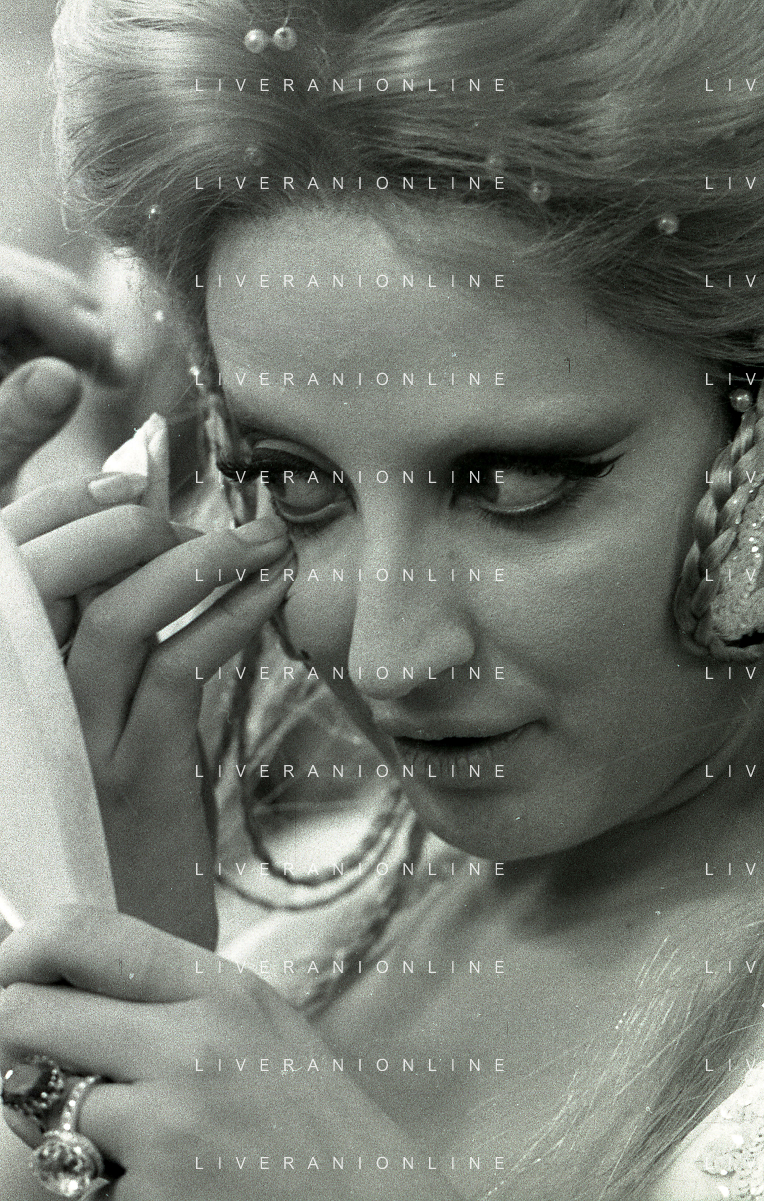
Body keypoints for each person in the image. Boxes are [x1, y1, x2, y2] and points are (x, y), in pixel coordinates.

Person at [1, 0, 764, 1197]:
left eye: (507, 486)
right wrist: (100, 929)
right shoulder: (274, 927)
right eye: (295, 480)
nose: (384, 653)